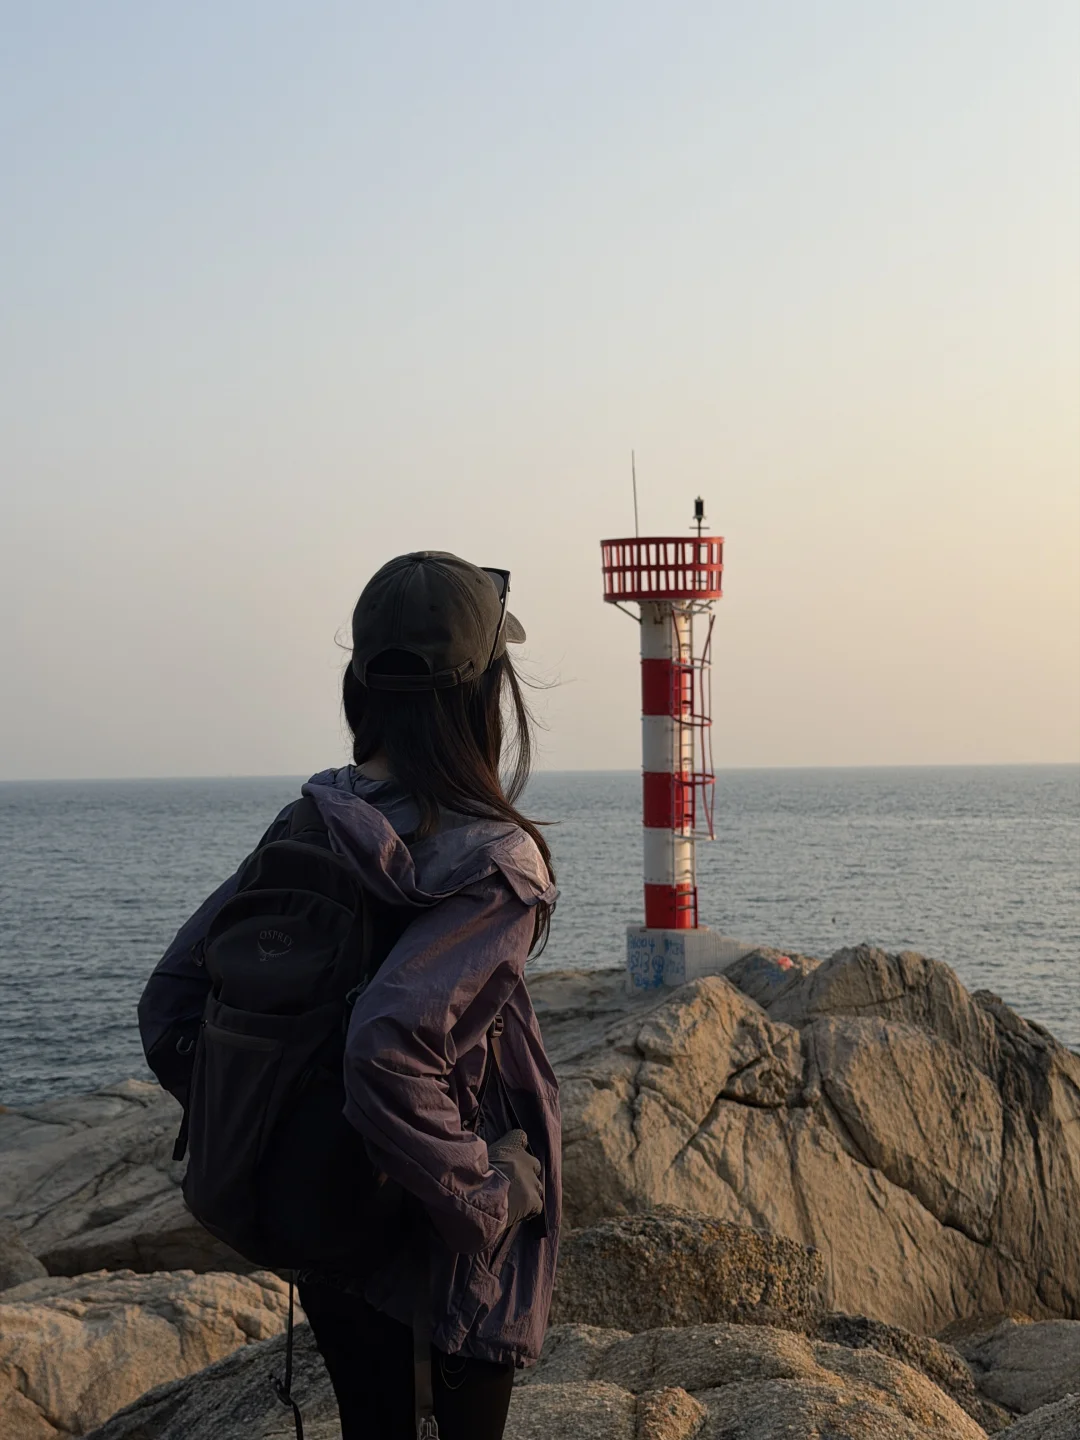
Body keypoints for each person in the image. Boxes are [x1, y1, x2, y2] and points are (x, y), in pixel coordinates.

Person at [137, 551, 561, 1440]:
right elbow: (386, 1048)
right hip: (448, 1259)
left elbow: (171, 1004)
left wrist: (293, 1135)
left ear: (360, 683)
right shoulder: (493, 861)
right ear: (486, 698)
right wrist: (483, 1190)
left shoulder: (313, 820)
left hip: (333, 1229)